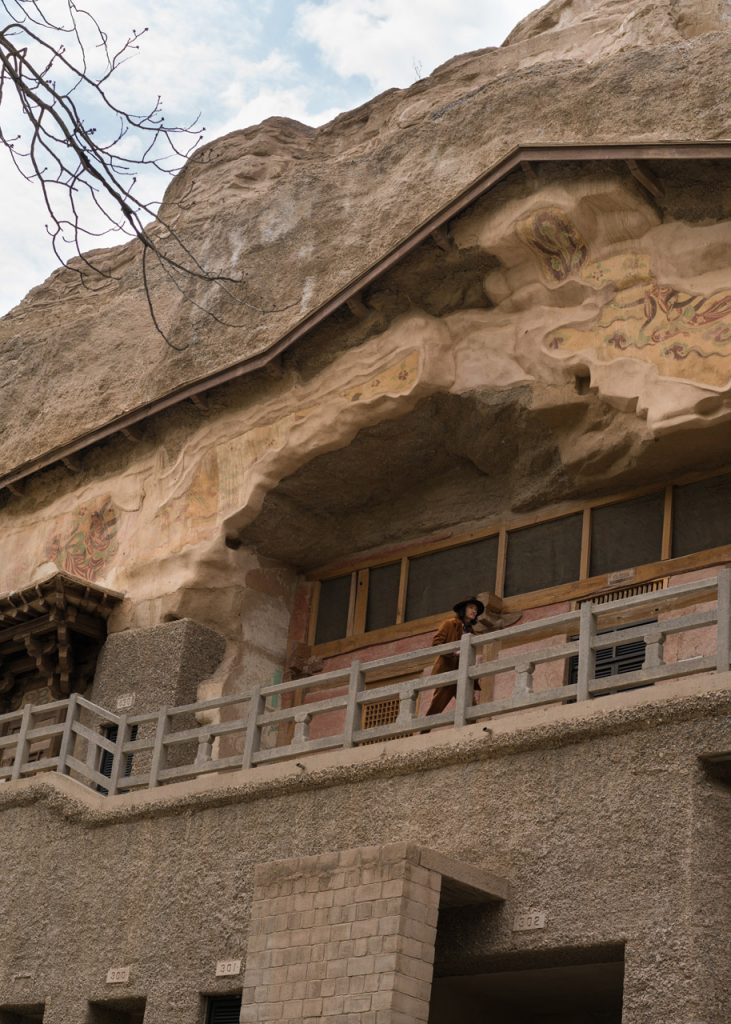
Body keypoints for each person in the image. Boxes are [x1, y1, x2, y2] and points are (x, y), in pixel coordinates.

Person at [425, 594, 521, 717]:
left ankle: (473, 725)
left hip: (463, 672)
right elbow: (436, 643)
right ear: (463, 609)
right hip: (448, 671)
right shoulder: (449, 624)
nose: (474, 611)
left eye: (475, 609)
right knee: (437, 705)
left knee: (470, 705)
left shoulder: (471, 631)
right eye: (471, 608)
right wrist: (453, 653)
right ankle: (423, 728)